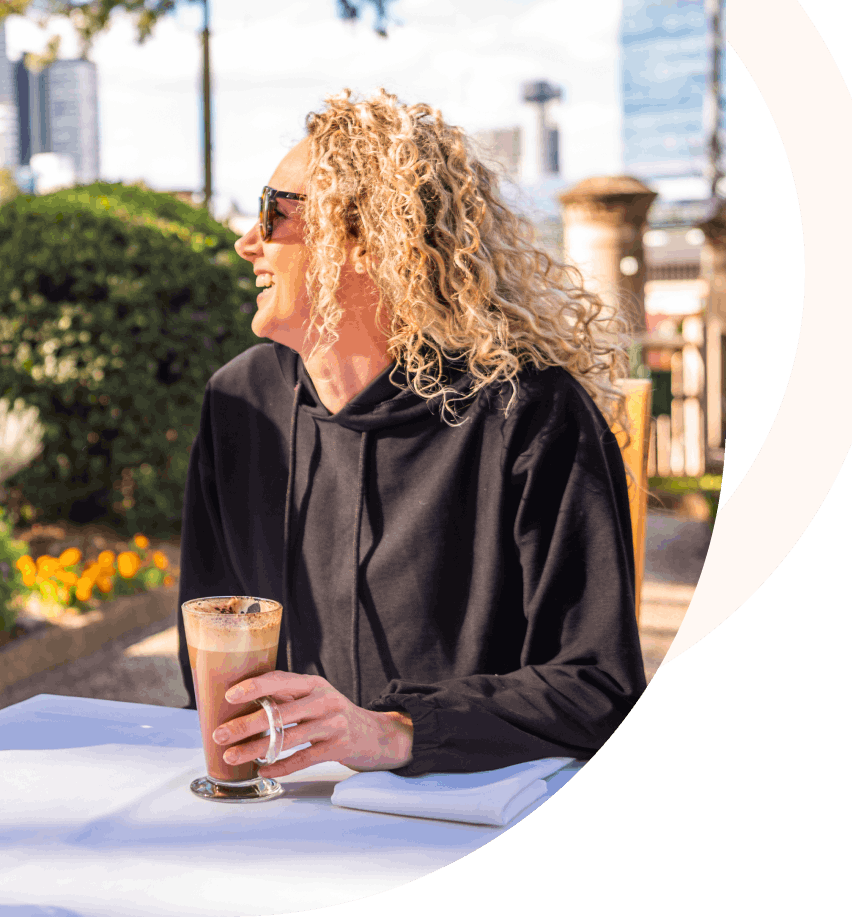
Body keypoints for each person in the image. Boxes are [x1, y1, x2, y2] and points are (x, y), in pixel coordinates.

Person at [178, 90, 645, 778]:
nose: (248, 241)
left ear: (367, 242)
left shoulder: (530, 413)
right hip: (284, 821)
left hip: (473, 828)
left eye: (274, 211)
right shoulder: (239, 404)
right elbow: (211, 650)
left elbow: (598, 688)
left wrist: (393, 732)